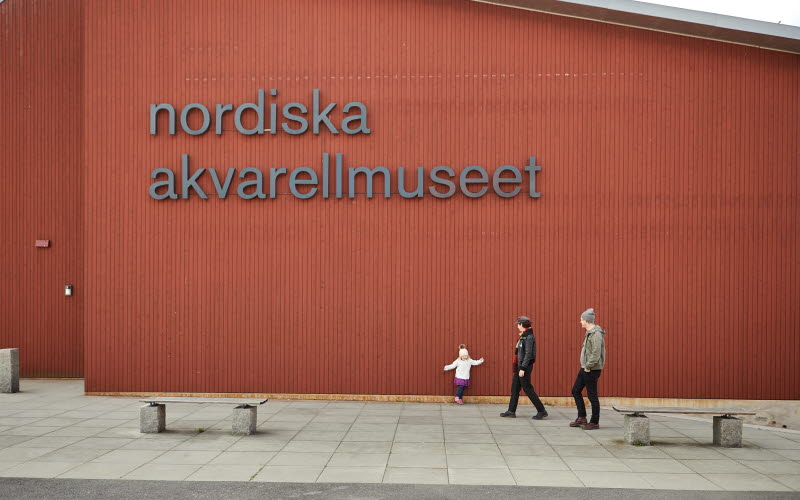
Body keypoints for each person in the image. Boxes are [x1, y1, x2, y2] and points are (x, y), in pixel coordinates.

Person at [500, 316, 548, 419]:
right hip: (519, 366)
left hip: (523, 367)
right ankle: (511, 411)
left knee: (527, 389)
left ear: (522, 325)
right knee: (515, 388)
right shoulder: (524, 336)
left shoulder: (529, 337)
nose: (517, 326)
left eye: (518, 324)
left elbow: (528, 354)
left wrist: (522, 368)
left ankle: (542, 410)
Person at [570, 308, 606, 430]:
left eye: (581, 320)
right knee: (575, 390)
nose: (580, 322)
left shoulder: (596, 334)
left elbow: (596, 353)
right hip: (585, 368)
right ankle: (582, 417)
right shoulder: (589, 332)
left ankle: (594, 422)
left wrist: (589, 366)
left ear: (587, 320)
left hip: (591, 369)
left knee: (592, 396)